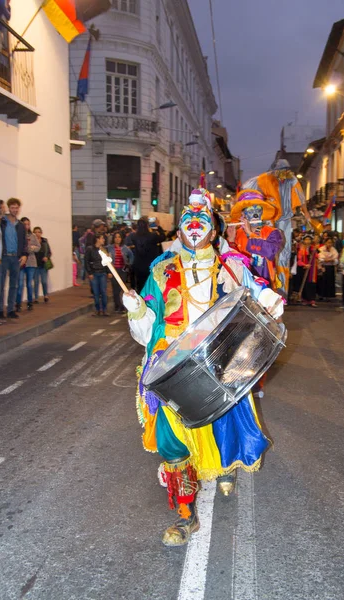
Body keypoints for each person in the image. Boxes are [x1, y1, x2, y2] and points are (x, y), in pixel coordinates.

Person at [122, 189, 284, 546]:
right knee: (172, 443)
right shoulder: (161, 271)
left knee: (224, 432)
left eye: (202, 221)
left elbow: (256, 291)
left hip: (219, 363)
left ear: (214, 231)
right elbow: (148, 324)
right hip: (174, 367)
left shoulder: (231, 266)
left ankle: (225, 467)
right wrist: (136, 308)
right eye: (187, 222)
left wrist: (269, 297)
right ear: (178, 232)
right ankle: (185, 515)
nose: (194, 226)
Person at [243, 158, 311, 297]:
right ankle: (263, 285)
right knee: (265, 250)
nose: (282, 174)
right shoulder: (263, 179)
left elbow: (300, 197)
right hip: (268, 219)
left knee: (283, 255)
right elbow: (247, 190)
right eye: (279, 171)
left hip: (284, 220)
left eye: (284, 171)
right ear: (274, 171)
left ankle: (281, 290)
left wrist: (307, 214)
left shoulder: (291, 180)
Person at [227, 189, 283, 290]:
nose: (256, 214)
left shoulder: (272, 232)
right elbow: (231, 259)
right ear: (242, 214)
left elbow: (270, 251)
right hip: (242, 282)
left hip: (265, 280)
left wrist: (250, 233)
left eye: (258, 210)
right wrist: (231, 241)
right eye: (251, 211)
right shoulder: (237, 233)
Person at [0, 198, 28, 319]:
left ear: (19, 209)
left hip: (16, 258)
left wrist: (24, 254)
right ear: (8, 208)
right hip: (3, 257)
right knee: (0, 285)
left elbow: (24, 242)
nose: (14, 210)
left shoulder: (21, 225)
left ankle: (11, 309)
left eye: (16, 208)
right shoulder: (2, 222)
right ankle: (0, 310)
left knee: (14, 285)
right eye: (12, 208)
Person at [126, 218, 165, 293]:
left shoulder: (134, 236)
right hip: (150, 264)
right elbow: (163, 237)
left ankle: (141, 299)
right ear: (147, 225)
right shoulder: (152, 236)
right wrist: (158, 226)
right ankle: (149, 301)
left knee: (140, 284)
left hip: (138, 264)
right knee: (150, 284)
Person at [16, 218, 40, 311]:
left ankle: (30, 302)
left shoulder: (33, 236)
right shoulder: (18, 234)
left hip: (31, 262)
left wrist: (31, 248)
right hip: (21, 262)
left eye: (28, 224)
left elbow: (38, 247)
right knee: (20, 284)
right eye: (24, 224)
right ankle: (18, 303)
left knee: (29, 284)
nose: (26, 226)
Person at [84, 233, 111, 316]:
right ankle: (98, 309)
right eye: (102, 238)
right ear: (97, 239)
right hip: (94, 273)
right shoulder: (90, 249)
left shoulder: (104, 249)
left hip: (102, 272)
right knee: (96, 292)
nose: (103, 240)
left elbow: (107, 262)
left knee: (103, 291)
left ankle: (104, 309)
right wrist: (90, 272)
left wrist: (108, 271)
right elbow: (86, 261)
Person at [107, 231, 134, 312]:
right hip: (113, 270)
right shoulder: (109, 248)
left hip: (122, 270)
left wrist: (129, 264)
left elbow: (132, 256)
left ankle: (120, 305)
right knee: (115, 289)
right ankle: (118, 306)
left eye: (119, 237)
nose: (117, 239)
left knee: (120, 288)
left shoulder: (125, 248)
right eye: (116, 237)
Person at [296, 234, 318, 307]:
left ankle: (312, 300)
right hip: (304, 269)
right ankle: (305, 299)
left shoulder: (313, 249)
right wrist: (304, 265)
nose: (308, 241)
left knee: (311, 284)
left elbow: (317, 257)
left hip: (312, 269)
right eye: (306, 239)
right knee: (304, 284)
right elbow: (299, 260)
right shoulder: (301, 249)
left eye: (309, 239)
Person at [33, 227, 51, 303]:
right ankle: (36, 297)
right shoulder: (32, 242)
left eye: (39, 232)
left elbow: (49, 252)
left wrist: (46, 257)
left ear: (41, 233)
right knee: (36, 282)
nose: (37, 233)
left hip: (43, 265)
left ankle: (45, 295)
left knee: (44, 281)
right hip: (35, 264)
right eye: (35, 232)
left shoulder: (44, 241)